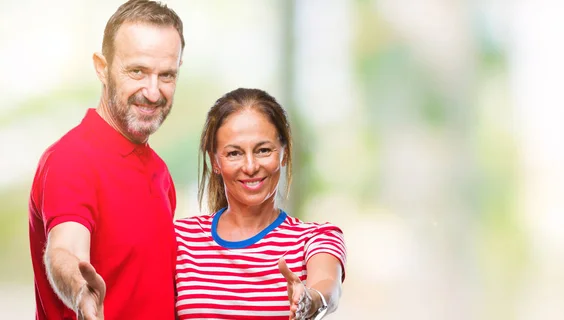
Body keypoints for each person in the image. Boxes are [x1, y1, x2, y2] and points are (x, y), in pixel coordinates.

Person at [28, 1, 185, 319]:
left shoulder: (160, 171)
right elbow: (65, 249)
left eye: (166, 75)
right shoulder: (71, 160)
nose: (153, 92)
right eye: (137, 71)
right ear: (102, 67)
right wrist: (79, 292)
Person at [174, 88, 347, 319]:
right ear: (215, 161)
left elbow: (329, 288)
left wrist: (311, 300)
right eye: (234, 153)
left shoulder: (314, 238)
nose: (250, 166)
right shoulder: (180, 239)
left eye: (263, 150)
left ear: (284, 153)